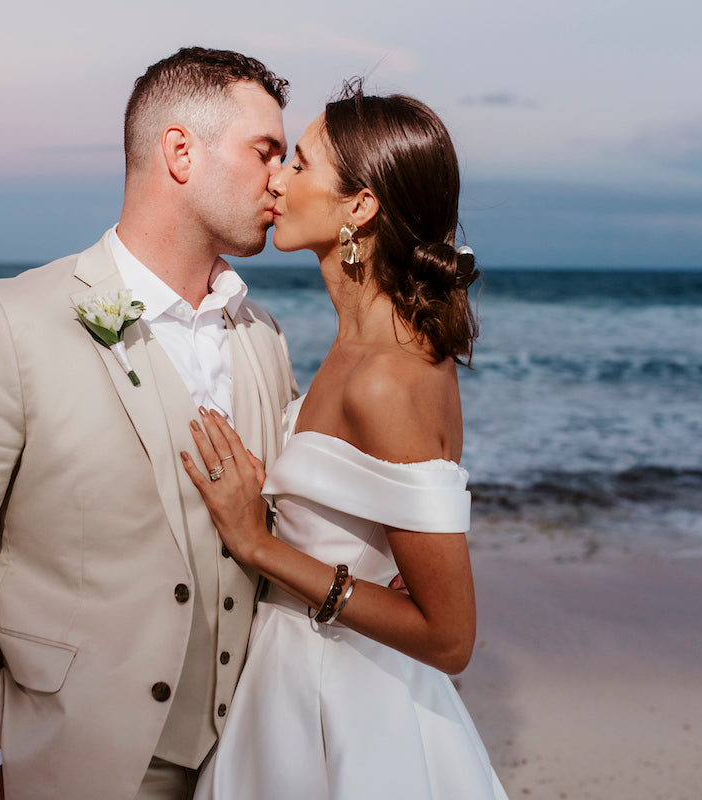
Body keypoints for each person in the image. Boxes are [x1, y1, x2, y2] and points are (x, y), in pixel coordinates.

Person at [0, 47, 299, 800]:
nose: (281, 178)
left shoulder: (262, 336)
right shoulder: (7, 322)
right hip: (76, 765)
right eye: (265, 151)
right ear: (180, 151)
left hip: (245, 763)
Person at [180, 83, 509, 799]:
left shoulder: (388, 377)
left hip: (344, 705)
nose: (275, 177)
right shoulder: (355, 346)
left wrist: (258, 543)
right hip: (291, 681)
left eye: (298, 164)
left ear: (359, 208)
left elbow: (450, 638)